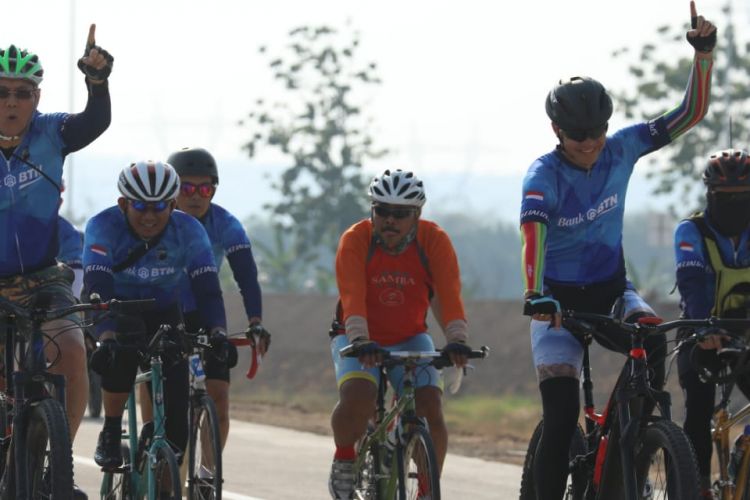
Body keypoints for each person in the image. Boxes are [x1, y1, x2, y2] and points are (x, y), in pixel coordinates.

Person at [519, 3, 716, 498]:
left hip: (611, 291)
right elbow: (533, 233)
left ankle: (633, 443)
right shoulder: (543, 175)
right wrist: (534, 293)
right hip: (556, 305)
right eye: (579, 135)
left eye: (598, 132)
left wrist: (704, 57)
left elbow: (689, 114)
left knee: (652, 344)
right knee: (562, 417)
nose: (590, 143)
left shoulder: (623, 147)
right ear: (557, 131)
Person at [0, 24, 113, 500]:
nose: (11, 103)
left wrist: (97, 81)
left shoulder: (51, 133)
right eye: (2, 92)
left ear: (36, 96)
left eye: (22, 93)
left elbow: (94, 123)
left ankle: (57, 470)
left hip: (44, 275)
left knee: (71, 351)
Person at [327, 168, 474, 499]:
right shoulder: (355, 240)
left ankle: (425, 489)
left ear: (417, 214)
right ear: (372, 210)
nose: (390, 220)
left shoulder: (434, 241)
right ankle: (345, 459)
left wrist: (457, 340)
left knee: (430, 407)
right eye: (382, 211)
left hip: (409, 335)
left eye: (400, 214)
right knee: (359, 398)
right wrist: (361, 341)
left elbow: (448, 296)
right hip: (356, 335)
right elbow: (352, 296)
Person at [83, 161, 227, 477]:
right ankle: (110, 430)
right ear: (123, 204)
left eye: (159, 207)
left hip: (163, 310)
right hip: (115, 306)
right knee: (119, 354)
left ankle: (160, 473)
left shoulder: (189, 230)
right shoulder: (103, 226)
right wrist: (105, 336)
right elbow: (96, 284)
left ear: (172, 204)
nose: (150, 216)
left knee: (177, 428)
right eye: (140, 206)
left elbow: (207, 289)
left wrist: (218, 331)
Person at [145, 145, 268, 450]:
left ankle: (206, 480)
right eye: (187, 187)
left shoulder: (226, 224)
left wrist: (255, 321)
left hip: (204, 312)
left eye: (204, 187)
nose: (196, 195)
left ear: (213, 190)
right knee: (155, 388)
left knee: (219, 398)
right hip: (161, 312)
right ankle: (153, 451)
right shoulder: (152, 221)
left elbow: (247, 278)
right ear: (173, 190)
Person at [675, 149, 750, 498]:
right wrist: (704, 328)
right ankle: (697, 486)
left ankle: (743, 455)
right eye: (724, 198)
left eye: (742, 198)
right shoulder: (691, 231)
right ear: (709, 195)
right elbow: (692, 284)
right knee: (698, 410)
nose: (733, 204)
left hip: (746, 331)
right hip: (701, 330)